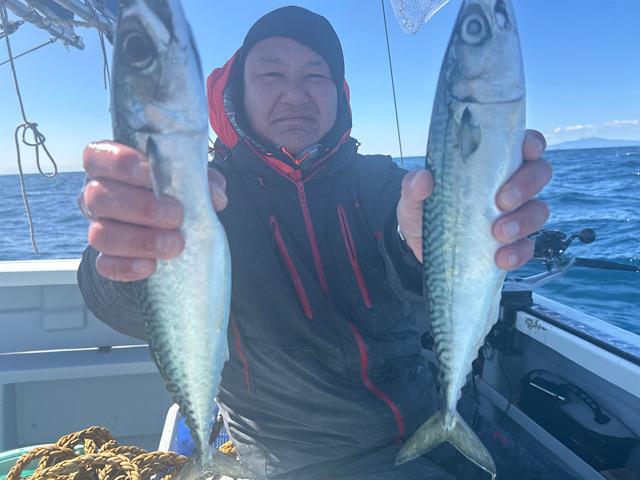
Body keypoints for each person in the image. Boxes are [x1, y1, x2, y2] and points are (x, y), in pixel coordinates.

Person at [77, 6, 553, 479]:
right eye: (271, 74)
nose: (294, 94)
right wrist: (125, 254)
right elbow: (127, 308)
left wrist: (441, 246)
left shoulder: (381, 180)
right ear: (237, 91)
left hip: (431, 415)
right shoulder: (202, 198)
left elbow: (407, 255)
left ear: (338, 93)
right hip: (303, 457)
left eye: (315, 75)